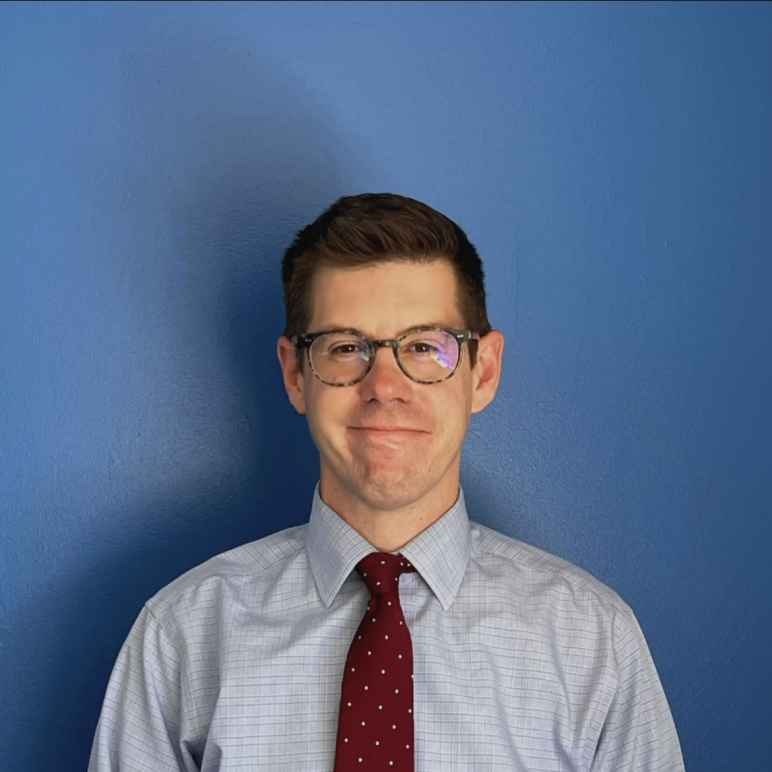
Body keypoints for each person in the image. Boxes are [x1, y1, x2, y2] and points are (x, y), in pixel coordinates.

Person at [88, 193, 685, 771]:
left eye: (424, 347)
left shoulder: (592, 644)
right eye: (347, 347)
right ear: (296, 374)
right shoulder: (183, 638)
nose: (385, 385)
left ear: (484, 372)